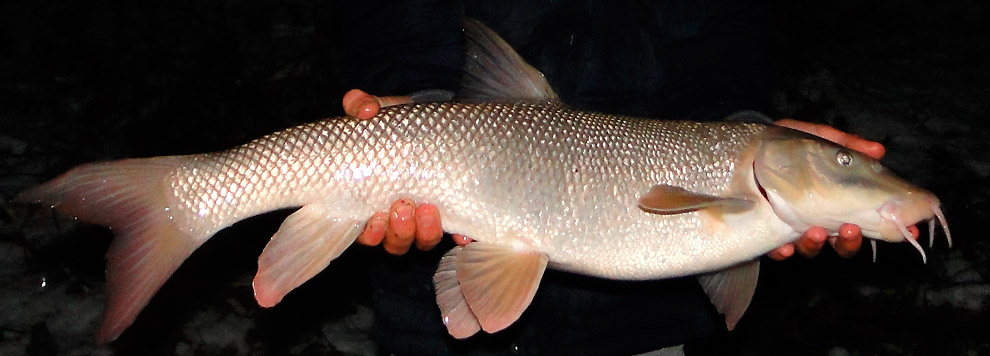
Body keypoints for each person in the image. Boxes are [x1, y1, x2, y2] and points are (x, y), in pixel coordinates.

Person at [323, 2, 917, 355]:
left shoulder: (754, 182)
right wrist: (426, 108)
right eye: (847, 166)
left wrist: (742, 121)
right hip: (431, 329)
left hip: (635, 331)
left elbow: (718, 48)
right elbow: (398, 23)